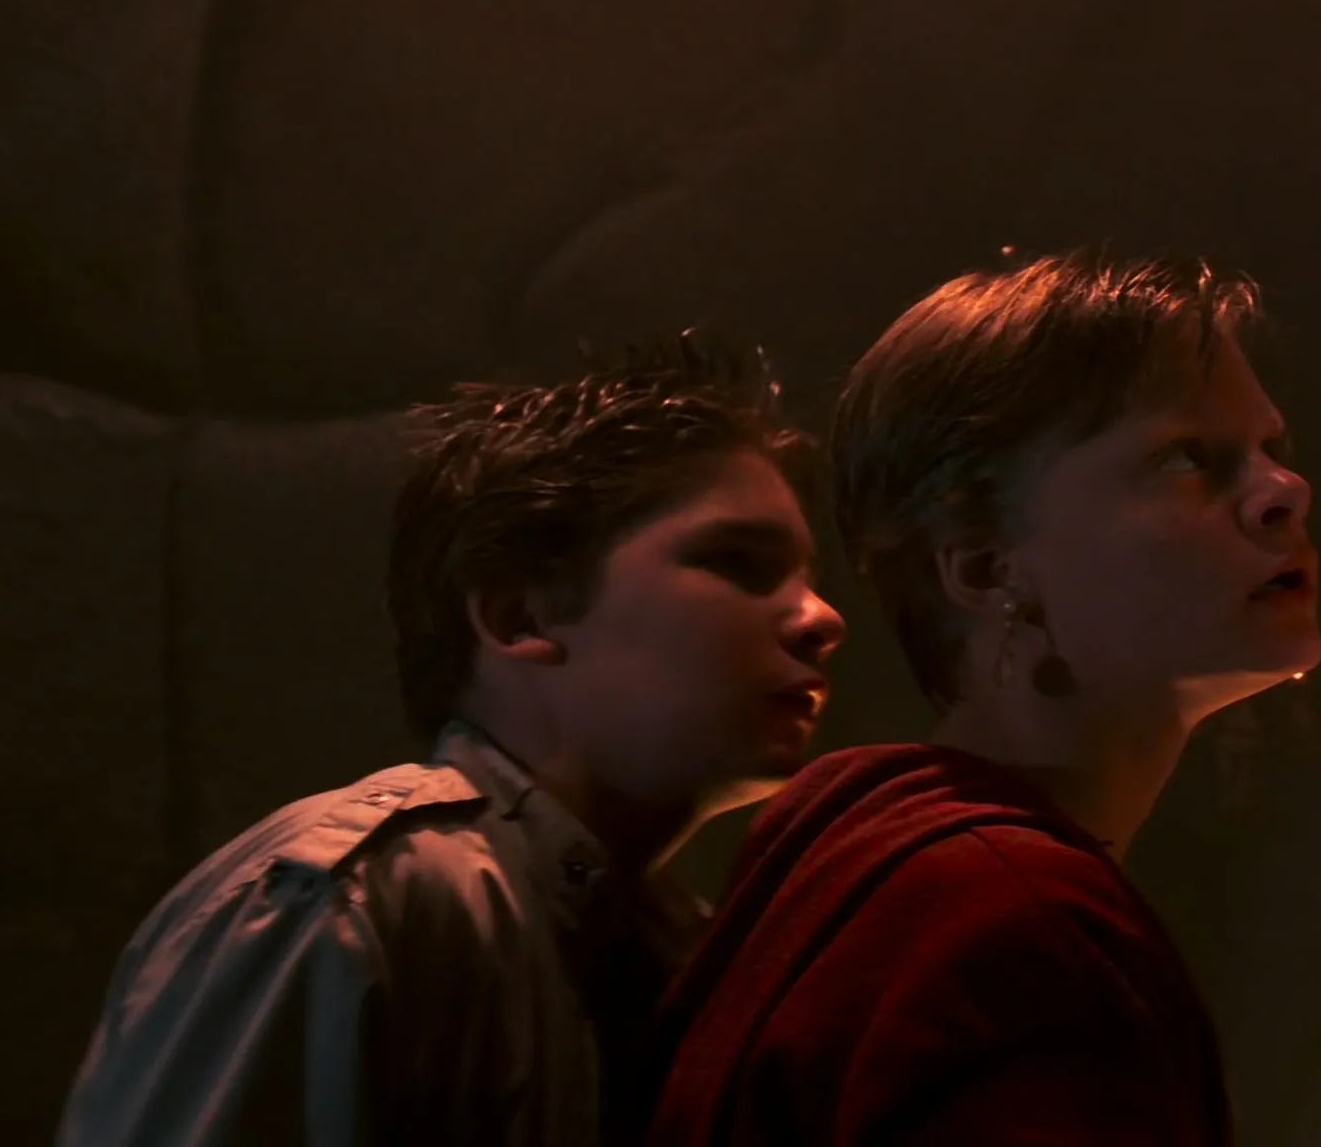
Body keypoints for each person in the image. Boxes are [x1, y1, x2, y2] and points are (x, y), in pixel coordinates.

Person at [61, 336, 846, 1146]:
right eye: (737, 562)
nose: (821, 617)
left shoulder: (691, 957)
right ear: (519, 616)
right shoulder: (341, 909)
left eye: (808, 577)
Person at [649, 252, 1318, 1146]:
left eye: (1272, 450)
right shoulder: (1011, 933)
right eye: (1185, 458)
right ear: (984, 567)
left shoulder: (859, 859)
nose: (1284, 491)